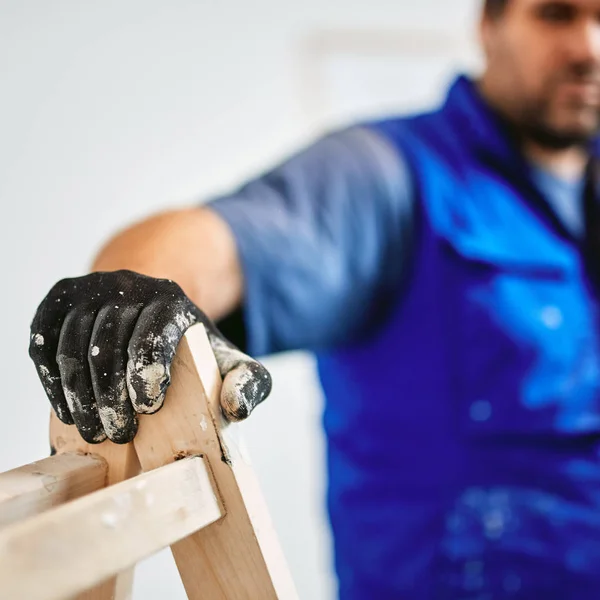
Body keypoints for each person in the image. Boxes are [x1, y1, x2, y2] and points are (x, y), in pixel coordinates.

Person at [28, 0, 600, 597]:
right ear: (489, 25)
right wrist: (135, 289)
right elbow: (213, 242)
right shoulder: (388, 176)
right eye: (556, 15)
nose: (589, 49)